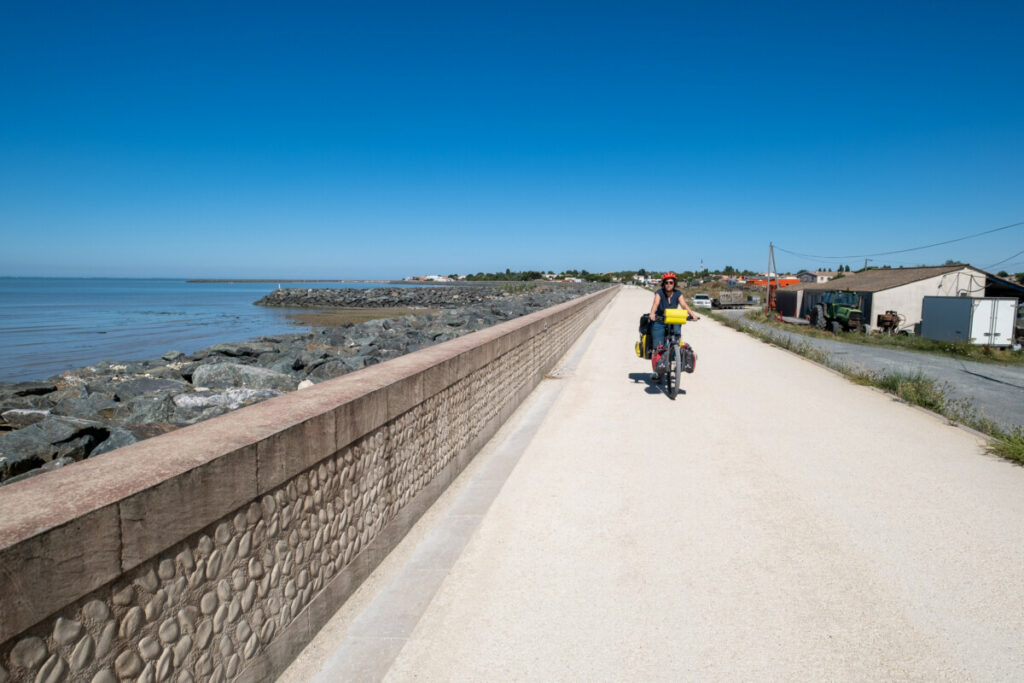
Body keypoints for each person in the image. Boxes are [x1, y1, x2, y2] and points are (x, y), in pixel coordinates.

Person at [649, 272, 699, 378]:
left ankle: (676, 357)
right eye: (666, 282)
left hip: (674, 320)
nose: (668, 284)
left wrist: (693, 315)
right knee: (657, 347)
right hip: (660, 321)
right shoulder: (659, 293)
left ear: (674, 283)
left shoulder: (678, 294)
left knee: (677, 340)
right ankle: (656, 371)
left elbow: (684, 305)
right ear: (663, 284)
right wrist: (652, 313)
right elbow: (656, 304)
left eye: (671, 282)